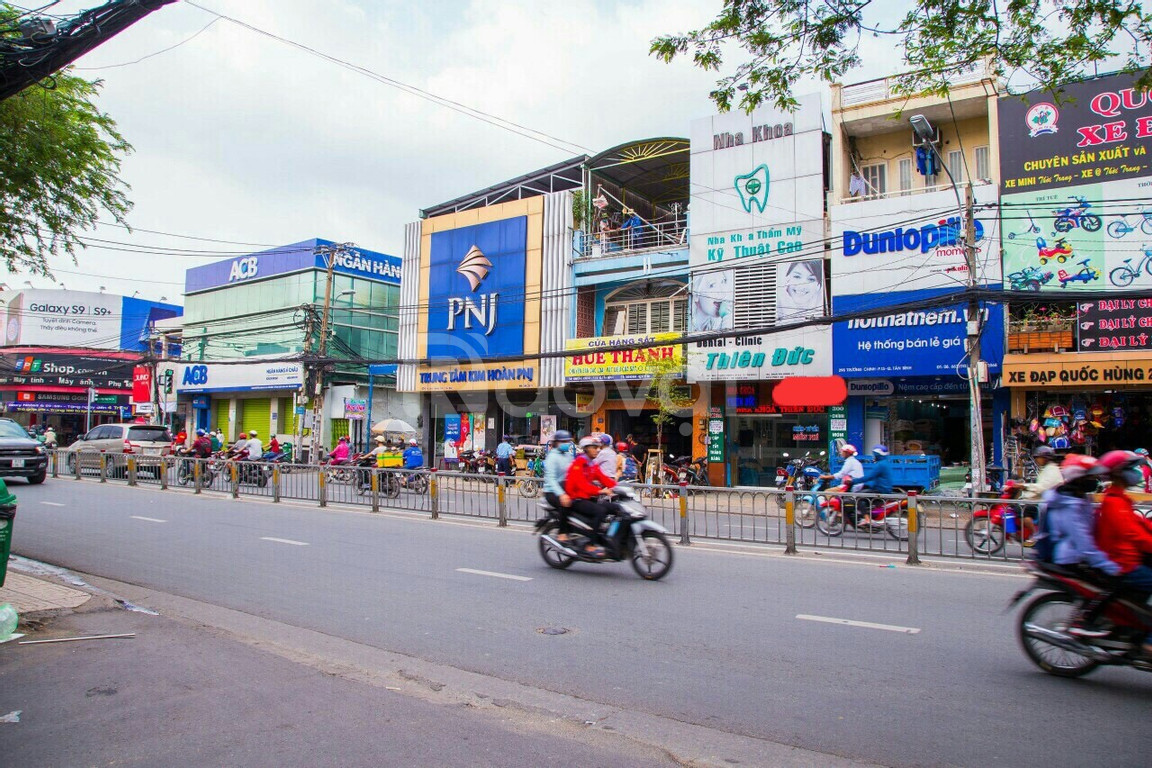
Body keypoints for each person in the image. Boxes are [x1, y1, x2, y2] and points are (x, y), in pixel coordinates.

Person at [1088, 450, 1152, 653]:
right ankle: (1149, 642)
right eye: (1132, 468)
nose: (1137, 472)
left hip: (1128, 559)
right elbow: (1133, 535)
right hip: (1122, 563)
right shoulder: (1114, 503)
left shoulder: (1120, 499)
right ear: (1119, 473)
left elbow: (1141, 525)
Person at [563, 436, 617, 557]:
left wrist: (618, 488)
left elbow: (603, 478)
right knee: (600, 511)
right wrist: (600, 491)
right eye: (594, 448)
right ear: (586, 449)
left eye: (598, 447)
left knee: (614, 508)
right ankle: (590, 545)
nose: (597, 450)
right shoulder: (579, 463)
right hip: (576, 499)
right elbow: (581, 485)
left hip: (588, 498)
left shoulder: (592, 464)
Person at [855, 445, 893, 526]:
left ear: (877, 455)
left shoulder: (880, 465)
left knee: (859, 497)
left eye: (874, 454)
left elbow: (870, 477)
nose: (873, 456)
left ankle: (867, 519)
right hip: (884, 488)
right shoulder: (885, 463)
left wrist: (853, 481)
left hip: (880, 490)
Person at [542, 430, 575, 512]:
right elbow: (551, 479)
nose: (567, 444)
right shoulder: (552, 457)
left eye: (568, 441)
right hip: (552, 491)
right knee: (567, 508)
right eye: (563, 441)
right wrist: (561, 494)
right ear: (556, 442)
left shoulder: (568, 455)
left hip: (566, 488)